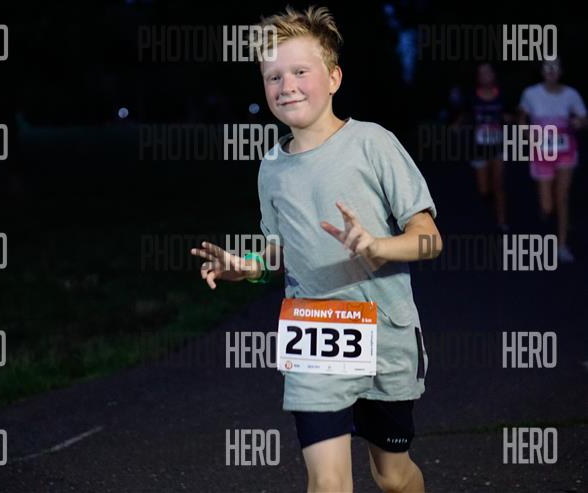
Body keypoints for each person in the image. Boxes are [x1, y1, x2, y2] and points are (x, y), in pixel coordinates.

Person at [190, 6, 441, 492]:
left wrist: (378, 245)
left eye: (300, 72)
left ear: (334, 78)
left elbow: (429, 238)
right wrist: (248, 267)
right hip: (313, 335)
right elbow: (281, 252)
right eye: (274, 76)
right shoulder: (271, 168)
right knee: (327, 482)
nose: (287, 86)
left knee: (392, 476)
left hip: (385, 335)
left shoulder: (373, 143)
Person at [518, 58, 587, 262]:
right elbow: (521, 116)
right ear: (541, 71)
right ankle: (550, 213)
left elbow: (583, 117)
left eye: (555, 67)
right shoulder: (530, 94)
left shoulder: (571, 94)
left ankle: (562, 245)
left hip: (565, 150)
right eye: (547, 67)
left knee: (562, 197)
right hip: (542, 152)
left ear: (561, 71)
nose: (551, 71)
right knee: (547, 206)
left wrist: (580, 122)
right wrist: (526, 133)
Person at [467, 63, 510, 231]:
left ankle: (502, 220)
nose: (485, 76)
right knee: (484, 189)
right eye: (482, 73)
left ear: (494, 75)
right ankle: (489, 199)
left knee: (499, 184)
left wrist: (510, 118)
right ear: (478, 77)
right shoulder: (472, 97)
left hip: (498, 145)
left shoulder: (503, 95)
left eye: (488, 72)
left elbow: (512, 114)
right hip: (479, 147)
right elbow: (464, 115)